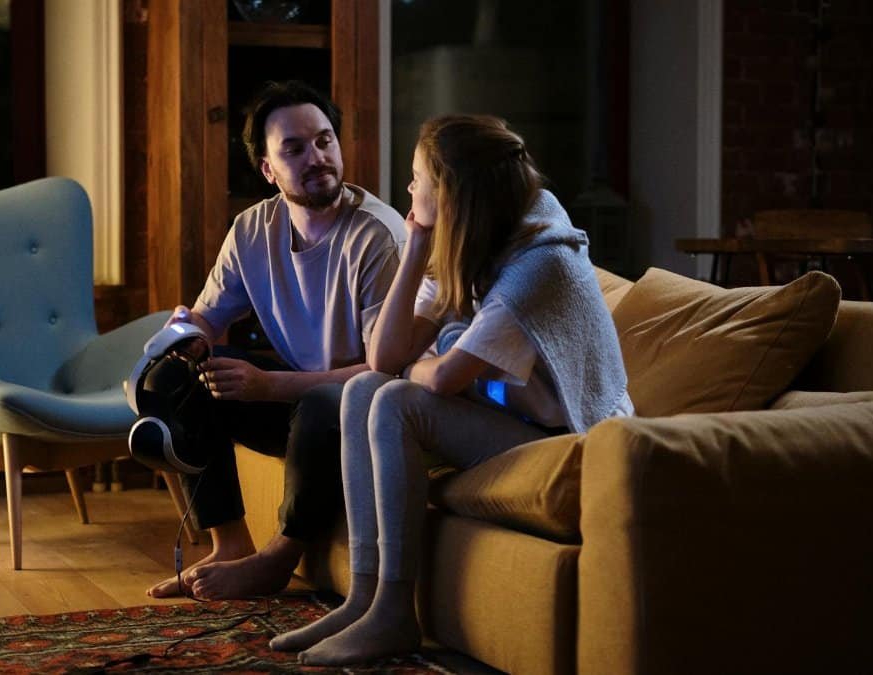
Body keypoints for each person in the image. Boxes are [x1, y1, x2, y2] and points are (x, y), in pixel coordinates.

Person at [269, 114, 632, 665]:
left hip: (574, 442)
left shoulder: (538, 263)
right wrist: (415, 246)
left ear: (454, 193)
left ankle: (394, 610)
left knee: (394, 399)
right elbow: (384, 356)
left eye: (419, 178)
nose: (409, 188)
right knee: (368, 386)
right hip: (519, 423)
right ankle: (365, 599)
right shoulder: (475, 237)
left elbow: (439, 378)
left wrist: (423, 362)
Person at [135, 80, 406, 600]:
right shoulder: (251, 230)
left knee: (328, 400)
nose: (318, 157)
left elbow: (386, 370)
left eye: (325, 141)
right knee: (179, 374)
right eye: (295, 149)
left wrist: (271, 385)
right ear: (268, 169)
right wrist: (188, 334)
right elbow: (208, 319)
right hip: (302, 411)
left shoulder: (377, 236)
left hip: (365, 414)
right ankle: (230, 544)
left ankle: (279, 558)